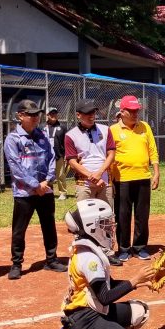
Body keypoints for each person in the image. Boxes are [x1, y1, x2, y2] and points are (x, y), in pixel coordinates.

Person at [60, 199, 156, 329]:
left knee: (140, 310)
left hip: (88, 312)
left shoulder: (88, 249)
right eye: (104, 223)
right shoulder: (89, 258)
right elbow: (104, 296)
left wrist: (139, 282)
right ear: (91, 227)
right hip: (85, 319)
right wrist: (134, 280)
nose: (110, 227)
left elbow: (108, 285)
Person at [3, 99, 68, 280]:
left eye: (36, 114)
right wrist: (35, 185)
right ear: (20, 116)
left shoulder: (42, 135)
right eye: (30, 115)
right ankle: (16, 263)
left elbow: (52, 157)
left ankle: (51, 259)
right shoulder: (13, 139)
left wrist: (47, 181)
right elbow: (15, 168)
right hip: (25, 193)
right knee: (19, 229)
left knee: (49, 225)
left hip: (45, 190)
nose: (34, 118)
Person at [65, 100, 122, 266]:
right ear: (78, 115)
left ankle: (108, 251)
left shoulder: (105, 130)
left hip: (105, 181)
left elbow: (111, 154)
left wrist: (99, 173)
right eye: (87, 113)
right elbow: (72, 161)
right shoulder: (71, 135)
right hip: (84, 183)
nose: (91, 116)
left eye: (93, 113)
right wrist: (90, 174)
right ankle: (86, 252)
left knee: (107, 218)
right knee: (85, 219)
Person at [110, 95, 159, 261]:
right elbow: (109, 156)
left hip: (143, 177)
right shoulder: (113, 130)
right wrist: (111, 181)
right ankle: (123, 248)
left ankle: (139, 247)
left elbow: (152, 149)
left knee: (142, 215)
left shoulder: (145, 127)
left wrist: (156, 172)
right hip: (122, 179)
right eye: (131, 111)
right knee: (122, 215)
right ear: (122, 112)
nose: (135, 113)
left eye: (136, 110)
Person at [43, 107, 68, 200]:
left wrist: (66, 154)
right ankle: (49, 191)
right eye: (51, 114)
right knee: (46, 174)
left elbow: (66, 142)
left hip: (58, 154)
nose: (53, 115)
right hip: (45, 155)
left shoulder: (62, 127)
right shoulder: (42, 127)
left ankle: (63, 192)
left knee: (60, 174)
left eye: (55, 113)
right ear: (47, 115)